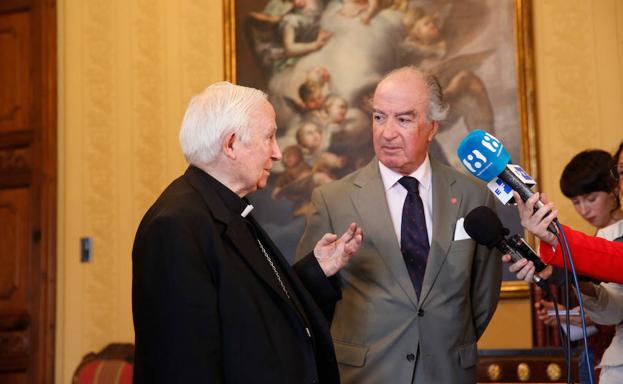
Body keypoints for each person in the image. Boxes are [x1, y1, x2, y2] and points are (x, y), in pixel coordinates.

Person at [132, 82, 363, 383]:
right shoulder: (176, 225)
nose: (278, 153)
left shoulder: (224, 205)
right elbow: (182, 364)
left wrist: (317, 271)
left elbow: (253, 309)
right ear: (230, 145)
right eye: (269, 137)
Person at [296, 66, 502, 383]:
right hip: (366, 374)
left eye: (403, 119)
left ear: (432, 127)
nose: (386, 132)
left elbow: (482, 294)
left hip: (446, 371)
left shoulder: (472, 196)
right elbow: (304, 296)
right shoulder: (331, 200)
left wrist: (444, 339)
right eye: (379, 117)